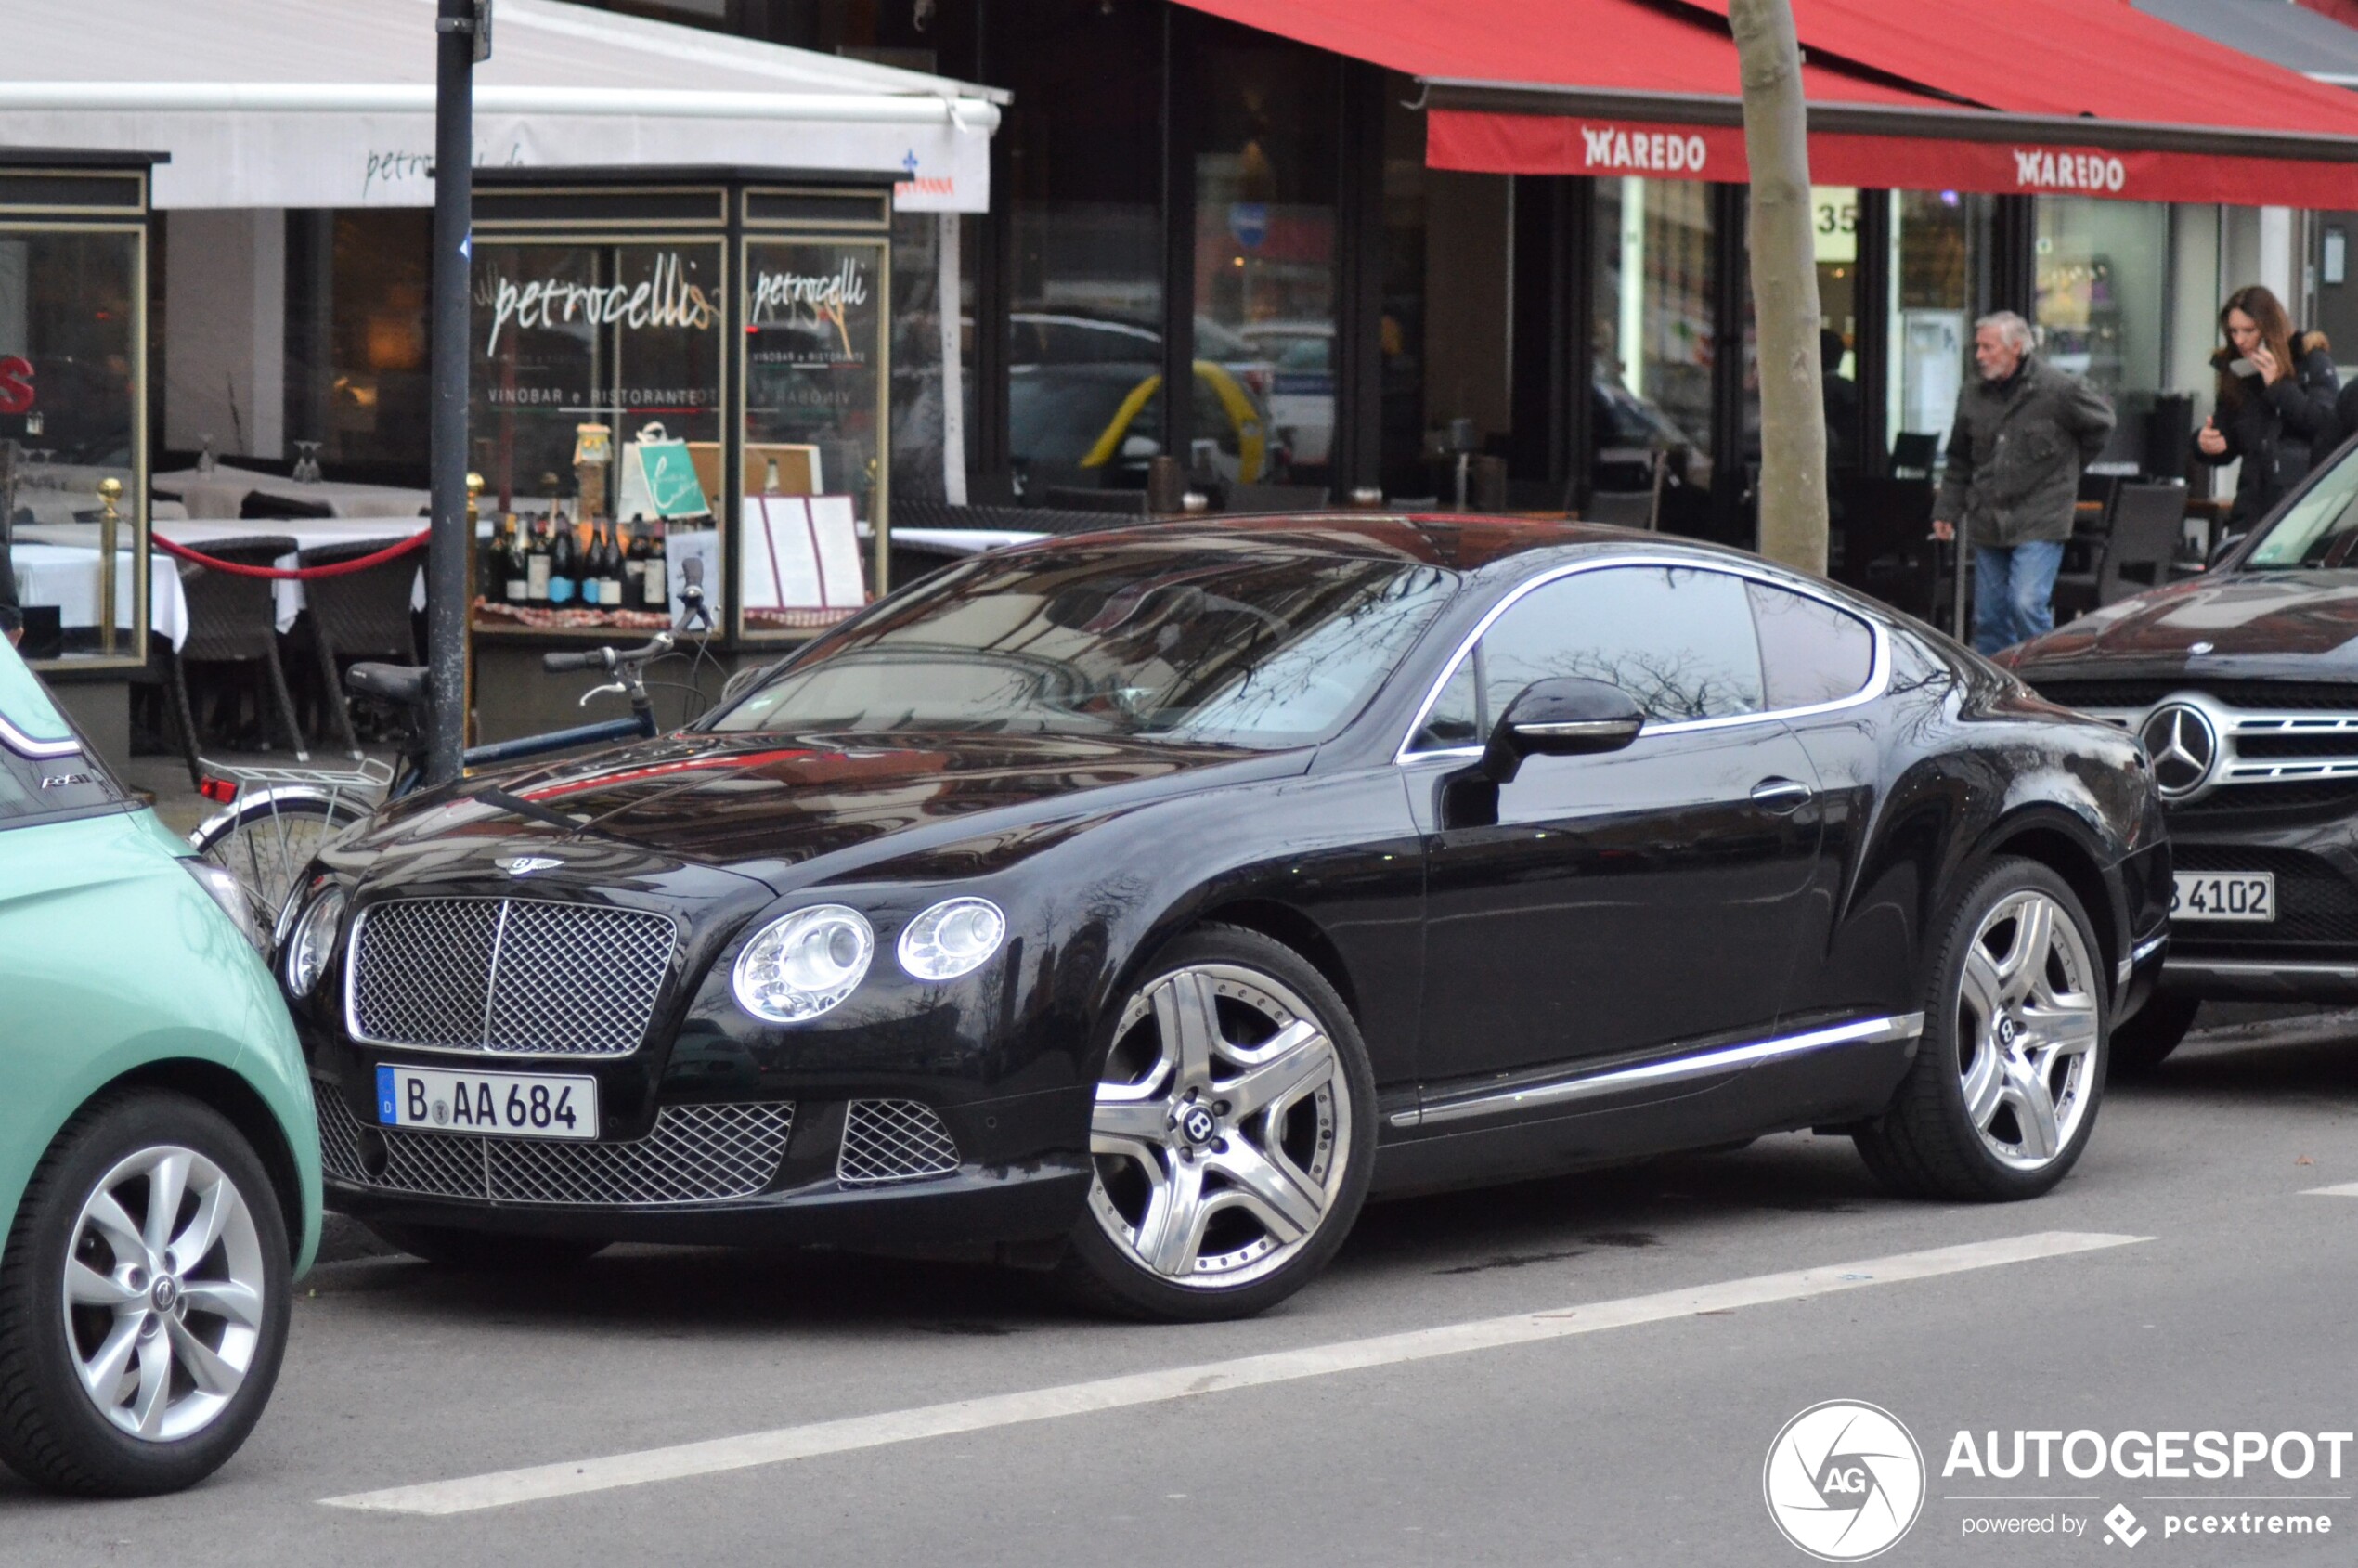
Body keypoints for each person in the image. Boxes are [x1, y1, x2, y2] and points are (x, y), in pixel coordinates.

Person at [1931, 311, 2114, 654]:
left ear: (2016, 347)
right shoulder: (1973, 393)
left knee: (2026, 603)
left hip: (2040, 515)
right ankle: (1992, 691)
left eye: (1988, 347)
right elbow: (1959, 458)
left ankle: (2045, 678)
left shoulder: (2058, 388)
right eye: (1978, 347)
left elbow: (2101, 424)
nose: (1979, 355)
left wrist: (2068, 469)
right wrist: (1947, 510)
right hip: (1988, 516)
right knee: (1988, 617)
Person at [2197, 285, 2338, 535]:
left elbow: (2326, 425)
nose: (2240, 340)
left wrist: (2278, 387)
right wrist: (2207, 442)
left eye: (2249, 331)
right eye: (2233, 331)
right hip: (2251, 510)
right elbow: (2230, 436)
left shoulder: (2312, 362)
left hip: (2300, 508)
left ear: (2270, 329)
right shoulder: (2238, 372)